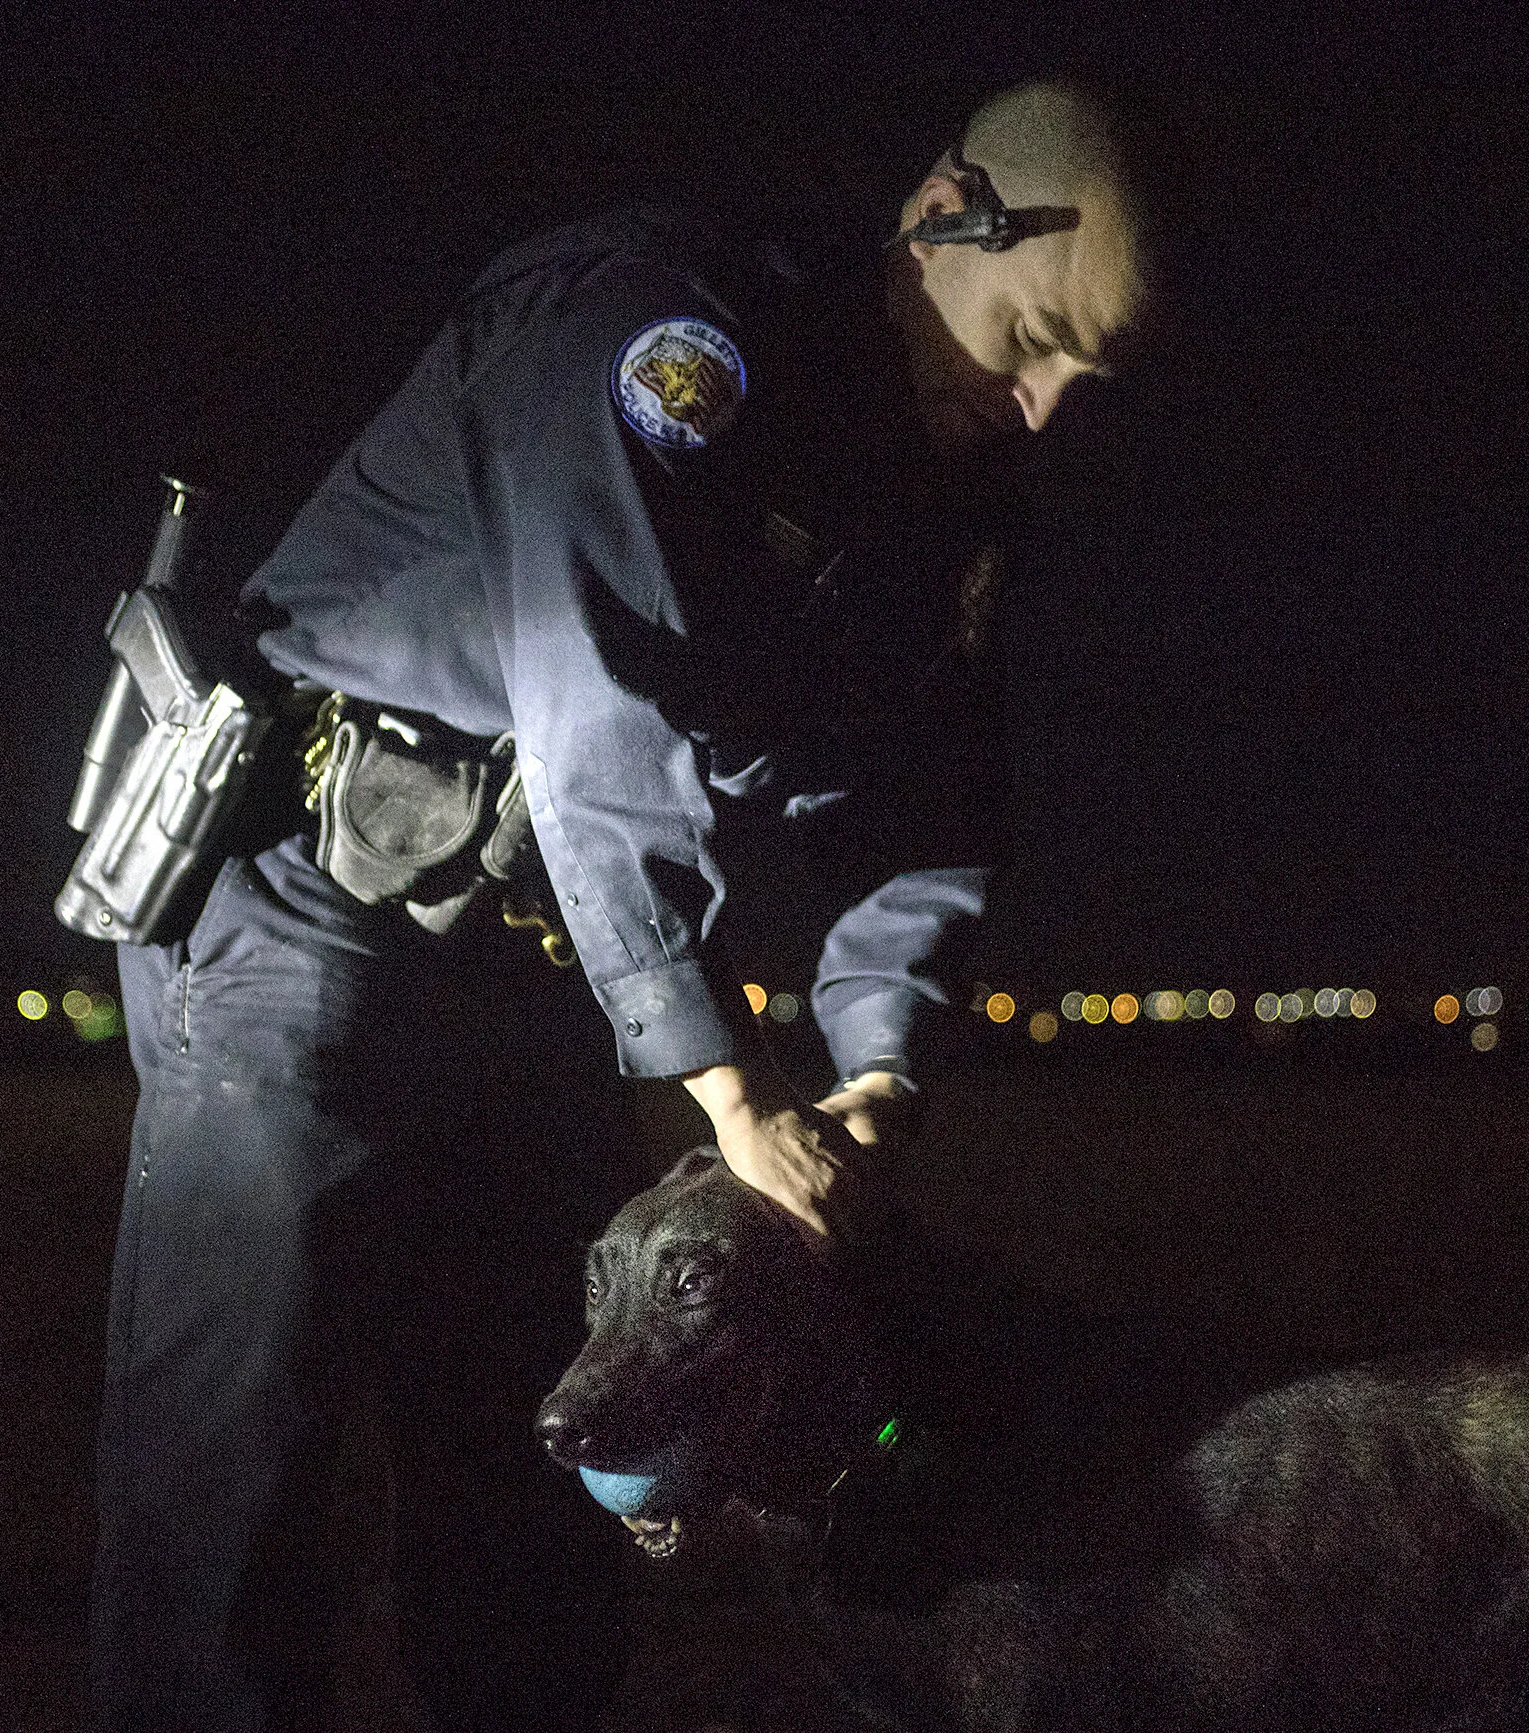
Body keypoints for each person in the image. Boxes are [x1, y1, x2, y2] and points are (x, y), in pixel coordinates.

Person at [91, 77, 1149, 1732]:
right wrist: (730, 1098)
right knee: (233, 1515)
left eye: (1096, 368)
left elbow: (934, 818)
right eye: (1034, 335)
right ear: (944, 215)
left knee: (540, 1514)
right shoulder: (669, 343)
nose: (1049, 404)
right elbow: (606, 730)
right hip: (311, 930)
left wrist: (879, 1061)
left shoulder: (941, 493)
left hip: (542, 988)